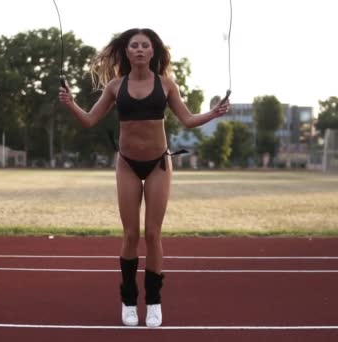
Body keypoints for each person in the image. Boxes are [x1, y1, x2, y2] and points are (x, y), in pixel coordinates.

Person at [58, 28, 229, 327]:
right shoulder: (115, 86)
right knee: (130, 235)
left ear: (153, 51)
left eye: (144, 45)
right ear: (127, 52)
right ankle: (128, 300)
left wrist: (213, 114)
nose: (138, 49)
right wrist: (71, 103)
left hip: (158, 165)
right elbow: (89, 120)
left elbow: (188, 120)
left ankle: (153, 302)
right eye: (133, 45)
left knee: (153, 234)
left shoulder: (166, 85)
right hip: (126, 164)